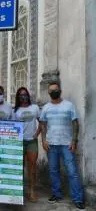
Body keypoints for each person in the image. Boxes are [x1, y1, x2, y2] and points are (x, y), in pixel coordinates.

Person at [40, 82, 85, 210]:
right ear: (49, 93)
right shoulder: (46, 107)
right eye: (51, 90)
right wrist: (43, 140)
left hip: (66, 144)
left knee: (72, 172)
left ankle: (78, 199)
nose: (54, 91)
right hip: (51, 144)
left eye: (56, 89)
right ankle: (57, 194)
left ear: (60, 90)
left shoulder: (69, 105)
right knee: (54, 171)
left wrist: (74, 140)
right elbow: (42, 124)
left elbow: (75, 123)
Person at [13, 87, 41, 202]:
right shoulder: (15, 110)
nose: (23, 96)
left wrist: (37, 133)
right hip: (19, 141)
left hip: (31, 141)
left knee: (32, 168)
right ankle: (20, 192)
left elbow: (42, 122)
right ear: (18, 97)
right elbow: (12, 125)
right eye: (20, 95)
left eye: (25, 94)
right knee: (19, 167)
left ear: (28, 95)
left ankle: (32, 191)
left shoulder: (35, 108)